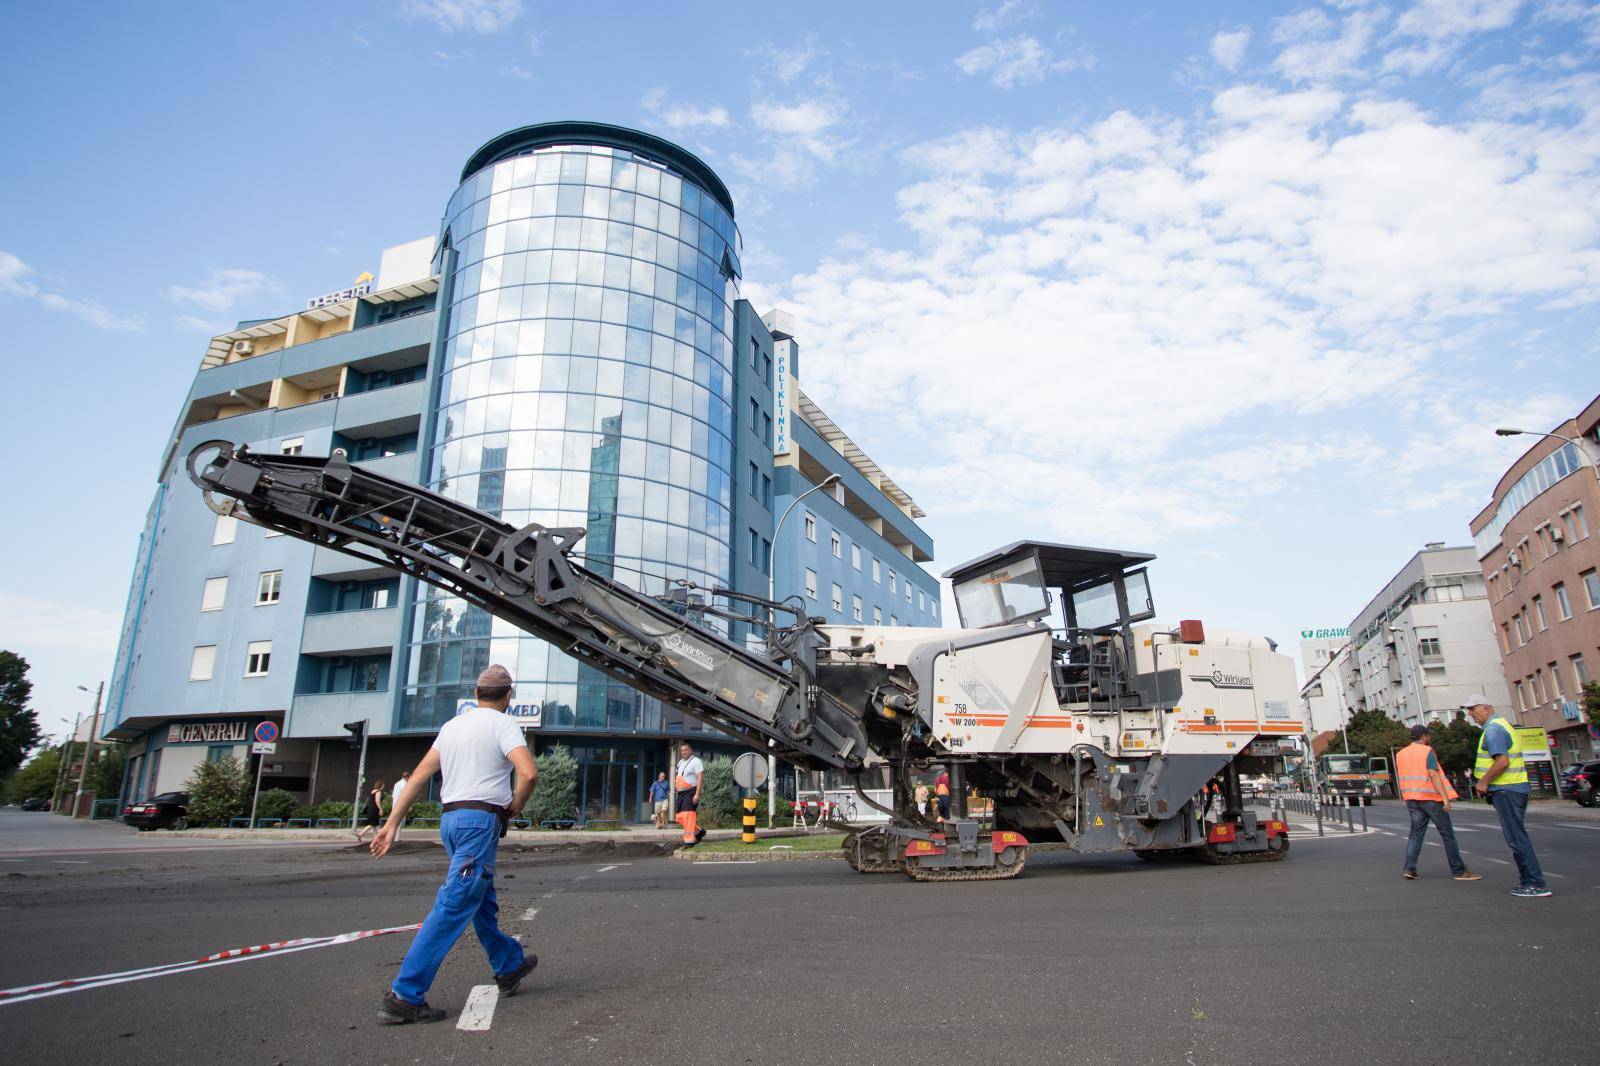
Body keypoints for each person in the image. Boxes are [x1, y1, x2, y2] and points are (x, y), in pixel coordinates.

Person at [372, 665, 540, 1024]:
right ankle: (405, 994)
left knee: (478, 898)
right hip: (480, 822)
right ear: (508, 696)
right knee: (454, 903)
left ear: (476, 693)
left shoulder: (451, 727)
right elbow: (528, 773)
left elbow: (418, 777)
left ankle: (508, 964)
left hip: (450, 821)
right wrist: (515, 805)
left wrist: (390, 824)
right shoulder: (503, 723)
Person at [1465, 693, 1550, 898]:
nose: (1470, 714)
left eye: (1473, 709)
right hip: (1511, 789)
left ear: (1486, 708)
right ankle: (1529, 881)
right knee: (1516, 836)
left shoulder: (1494, 729)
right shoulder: (1500, 725)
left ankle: (1535, 883)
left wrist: (1484, 782)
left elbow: (1502, 762)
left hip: (1508, 789)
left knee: (1517, 838)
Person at [1397, 724, 1480, 882]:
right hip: (1431, 799)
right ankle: (1459, 871)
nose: (1430, 738)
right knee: (1448, 835)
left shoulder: (1401, 754)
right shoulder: (1427, 751)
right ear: (1424, 736)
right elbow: (1434, 775)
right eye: (1428, 735)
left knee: (1415, 835)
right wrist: (1445, 799)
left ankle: (1409, 868)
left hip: (1412, 799)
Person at [674, 741, 706, 848]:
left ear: (691, 750)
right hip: (681, 793)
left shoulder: (696, 761)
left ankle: (689, 841)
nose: (684, 752)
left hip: (691, 792)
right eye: (682, 750)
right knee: (679, 817)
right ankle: (698, 831)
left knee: (688, 816)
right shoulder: (680, 762)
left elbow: (700, 777)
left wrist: (697, 794)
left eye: (686, 750)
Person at [392, 773, 409, 842]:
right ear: (407, 777)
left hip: (394, 805)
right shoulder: (404, 784)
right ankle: (397, 839)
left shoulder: (396, 784)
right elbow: (406, 795)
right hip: (401, 805)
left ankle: (395, 837)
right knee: (399, 823)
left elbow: (393, 795)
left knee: (395, 822)